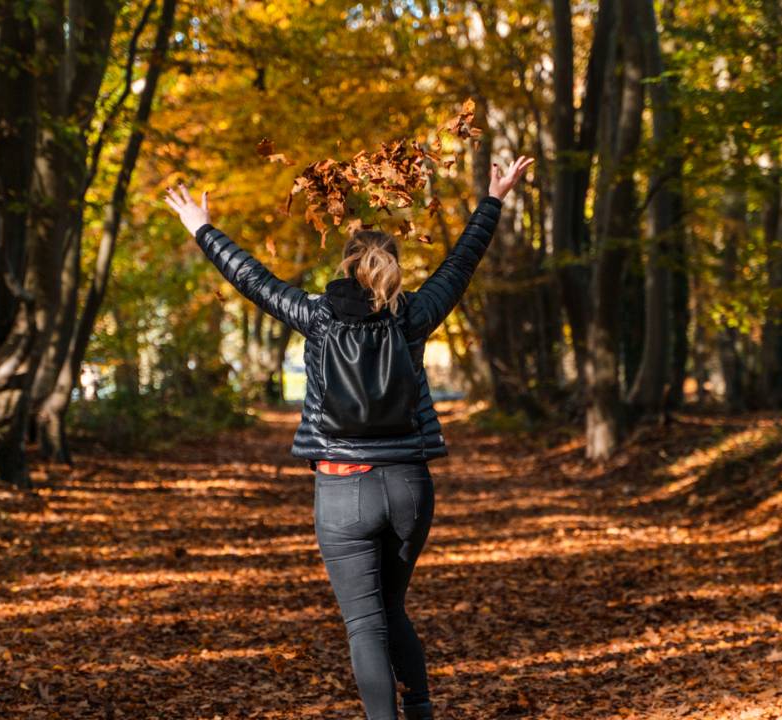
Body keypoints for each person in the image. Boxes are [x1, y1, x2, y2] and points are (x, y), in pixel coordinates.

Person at [164, 156, 533, 720]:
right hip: (410, 485)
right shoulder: (413, 316)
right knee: (392, 606)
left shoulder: (316, 316)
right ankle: (422, 711)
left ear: (346, 266)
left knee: (365, 621)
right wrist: (494, 199)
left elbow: (251, 278)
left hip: (342, 487)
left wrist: (202, 228)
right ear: (392, 267)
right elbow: (461, 265)